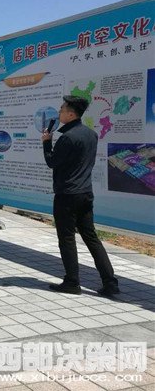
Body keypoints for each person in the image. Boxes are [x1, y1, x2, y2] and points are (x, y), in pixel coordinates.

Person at [42, 95, 120, 297]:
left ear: (71, 114)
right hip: (85, 192)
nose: (59, 112)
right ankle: (110, 283)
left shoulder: (67, 137)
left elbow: (52, 162)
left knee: (67, 238)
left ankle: (72, 282)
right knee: (91, 237)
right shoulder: (91, 134)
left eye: (62, 109)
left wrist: (46, 143)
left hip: (67, 195)